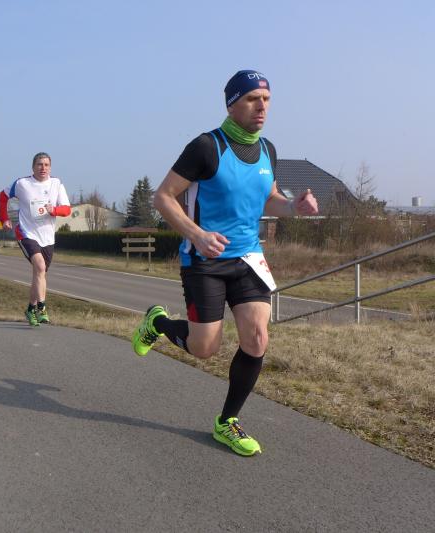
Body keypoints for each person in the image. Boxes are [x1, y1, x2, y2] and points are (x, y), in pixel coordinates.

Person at [132, 70, 319, 457]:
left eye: (266, 99)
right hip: (205, 260)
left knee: (257, 338)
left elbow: (270, 198)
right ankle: (158, 323)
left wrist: (293, 207)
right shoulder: (206, 147)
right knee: (204, 348)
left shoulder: (267, 150)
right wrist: (197, 234)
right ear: (232, 104)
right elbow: (163, 197)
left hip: (248, 258)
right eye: (252, 99)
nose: (262, 106)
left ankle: (227, 421)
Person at [0, 152, 71, 326]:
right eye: (39, 164)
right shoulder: (22, 184)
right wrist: (4, 219)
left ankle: (31, 309)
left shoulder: (56, 183)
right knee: (40, 266)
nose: (43, 168)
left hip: (47, 237)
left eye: (46, 165)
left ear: (50, 167)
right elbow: (2, 197)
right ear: (33, 167)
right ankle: (42, 308)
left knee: (40, 274)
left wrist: (54, 210)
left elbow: (67, 209)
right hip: (27, 233)